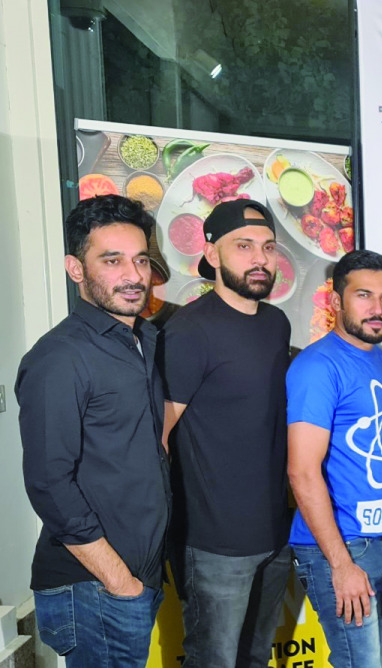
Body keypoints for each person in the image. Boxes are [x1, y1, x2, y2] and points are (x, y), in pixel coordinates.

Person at [18, 195, 170, 667]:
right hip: (95, 584)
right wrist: (118, 580)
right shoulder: (60, 357)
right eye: (112, 260)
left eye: (140, 259)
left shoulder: (142, 340)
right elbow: (49, 483)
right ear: (75, 269)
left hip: (134, 579)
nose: (134, 275)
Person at [160, 199, 293, 667]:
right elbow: (158, 437)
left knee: (256, 659)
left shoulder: (276, 323)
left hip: (275, 534)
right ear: (212, 254)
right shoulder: (189, 331)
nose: (260, 259)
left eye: (268, 247)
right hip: (213, 544)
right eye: (243, 246)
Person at [287, 250, 382, 667]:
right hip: (340, 547)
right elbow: (302, 471)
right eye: (364, 295)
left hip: (375, 541)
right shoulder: (318, 366)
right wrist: (341, 563)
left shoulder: (374, 356)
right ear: (336, 301)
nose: (377, 308)